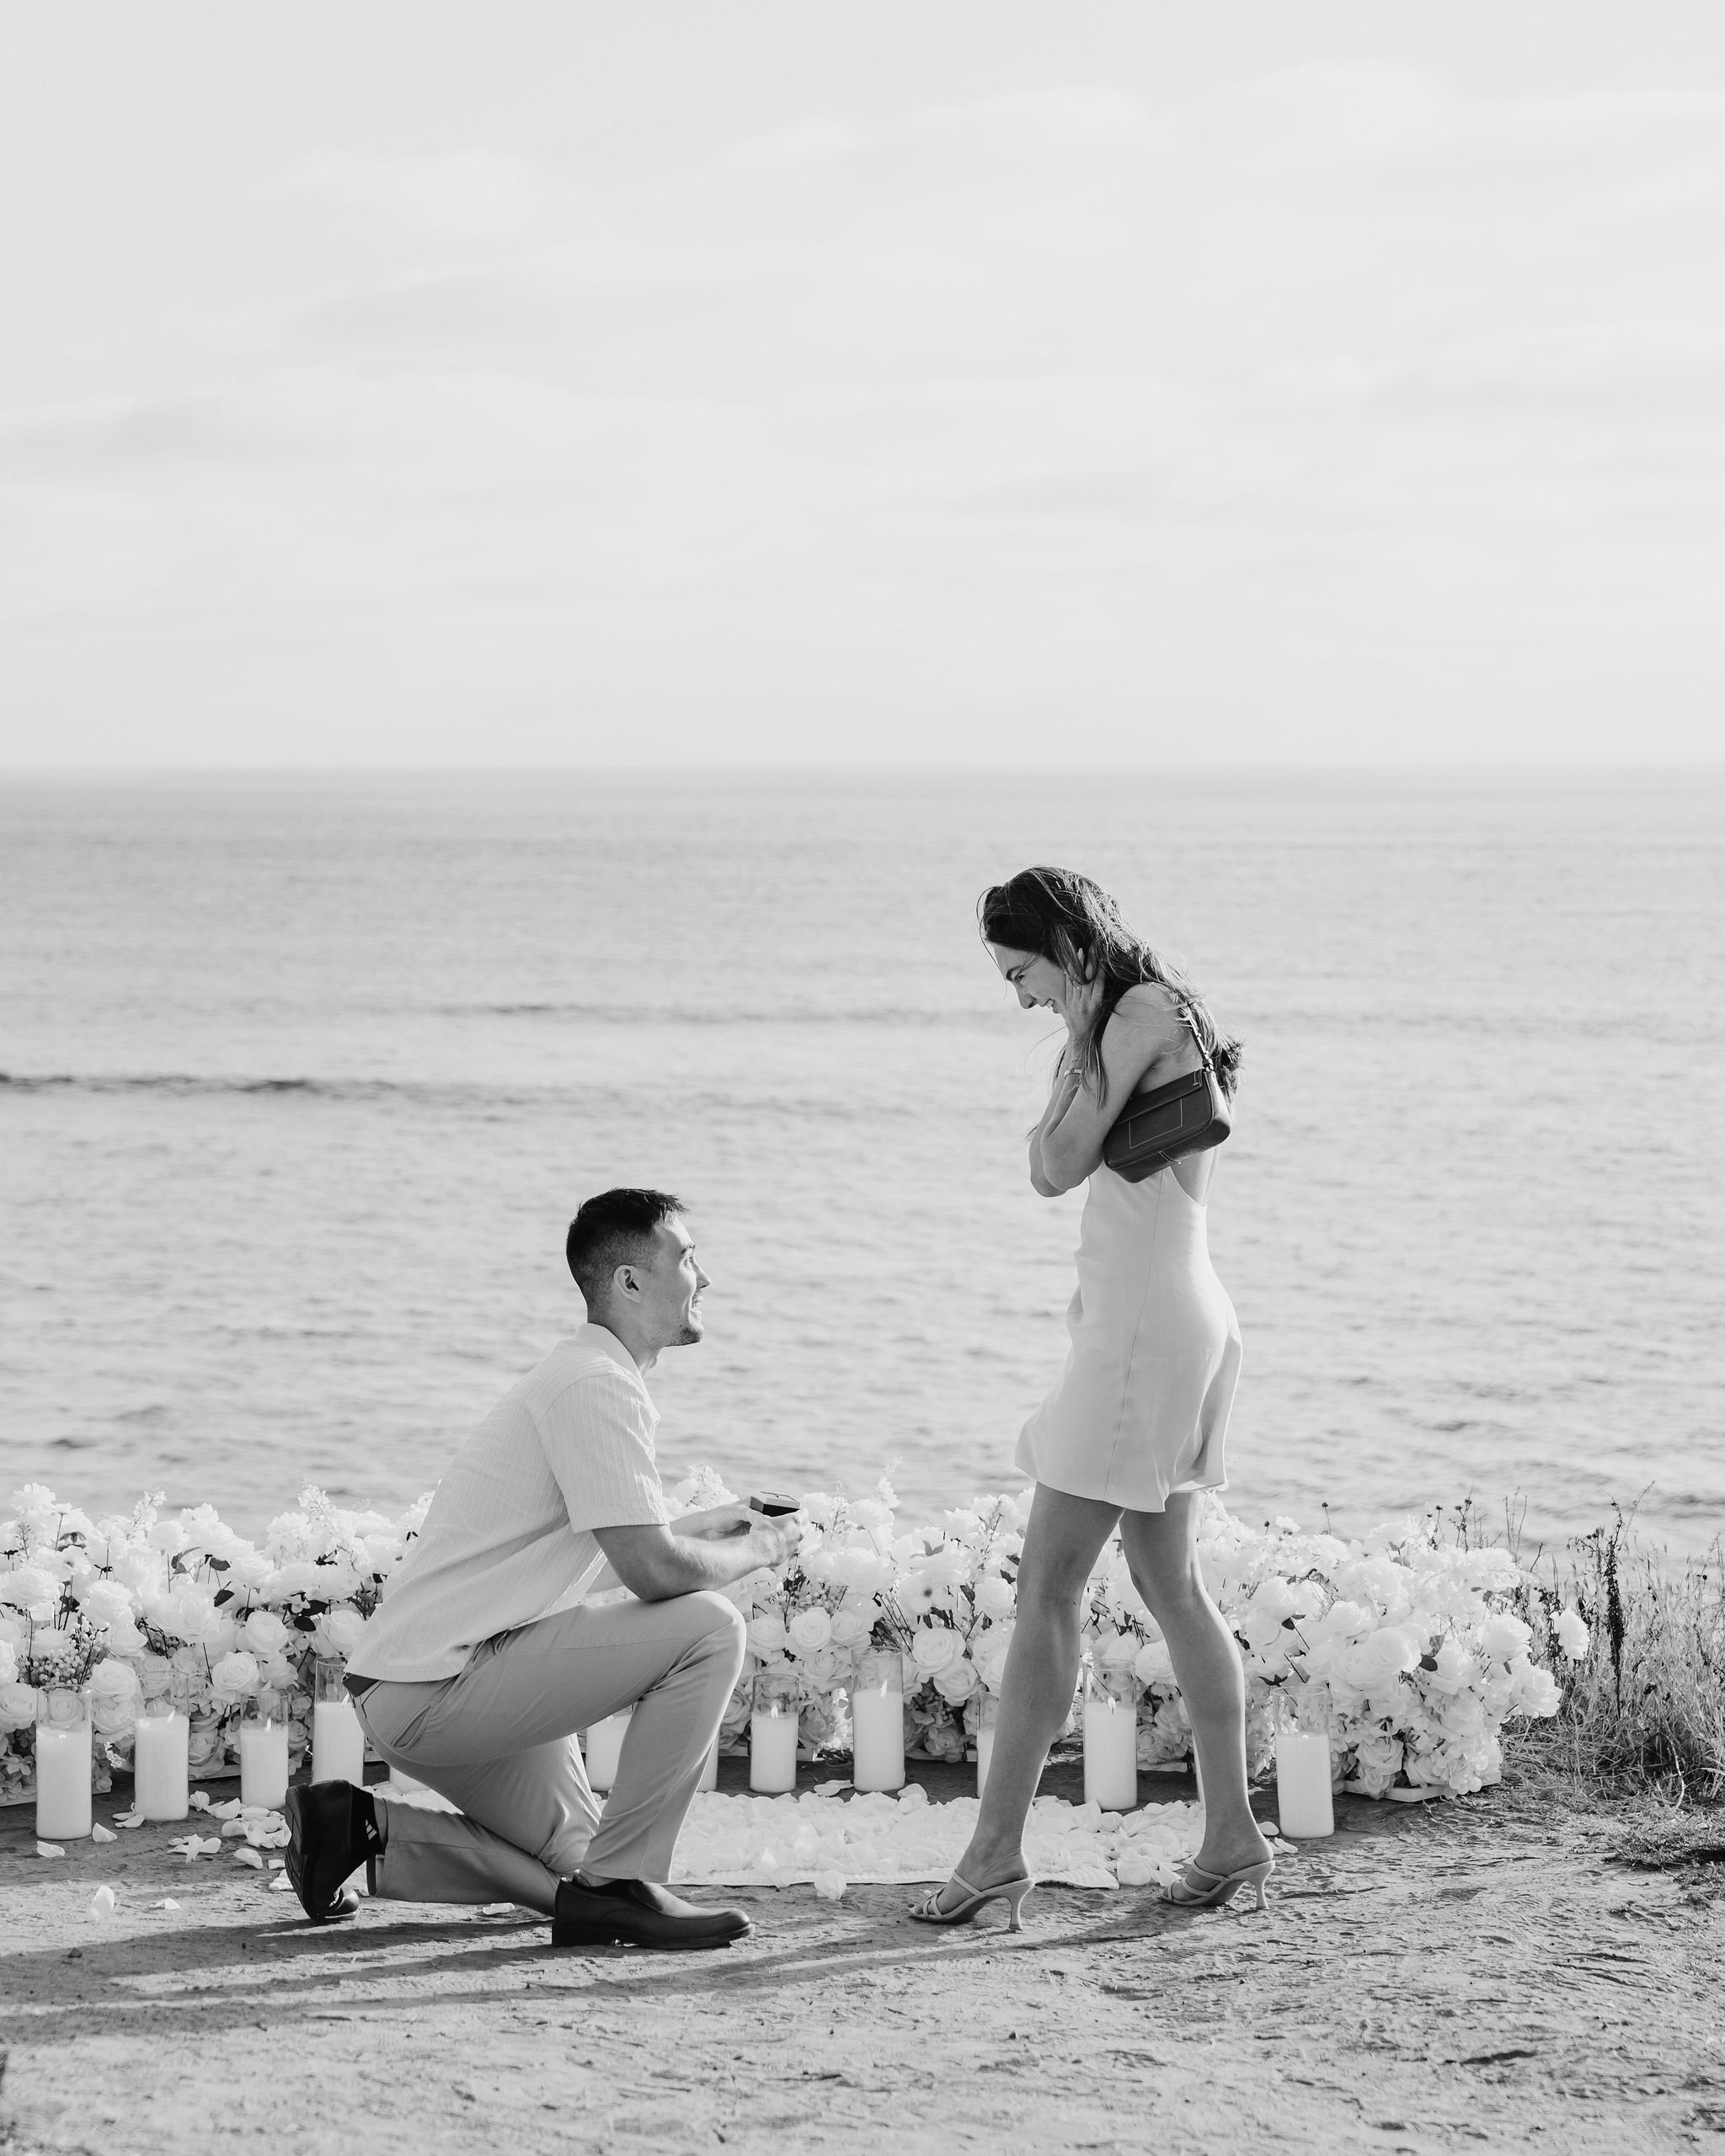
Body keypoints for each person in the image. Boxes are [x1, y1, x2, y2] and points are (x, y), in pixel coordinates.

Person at [284, 1187, 801, 1951]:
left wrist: (700, 1529)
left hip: (425, 1684)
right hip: (439, 1691)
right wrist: (757, 1550)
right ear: (628, 1281)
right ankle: (620, 1889)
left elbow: (576, 1560)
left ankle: (355, 1830)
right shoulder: (595, 1385)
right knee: (709, 1627)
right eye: (688, 1258)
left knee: (575, 1865)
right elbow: (655, 1575)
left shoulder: (583, 1376)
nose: (706, 1277)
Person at [911, 867, 1268, 1929]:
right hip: (1150, 1312)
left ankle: (990, 1857)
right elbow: (1048, 1162)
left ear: (1065, 944)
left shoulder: (1140, 1012)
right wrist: (1073, 1053)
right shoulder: (1118, 1018)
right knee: (1170, 1585)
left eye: (1020, 972)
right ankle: (1231, 1840)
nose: (1019, 999)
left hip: (1142, 1329)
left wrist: (1072, 1059)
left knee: (1047, 1592)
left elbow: (1055, 1161)